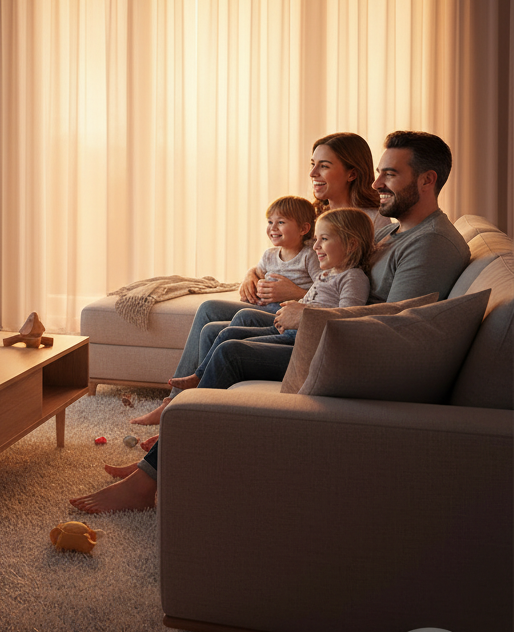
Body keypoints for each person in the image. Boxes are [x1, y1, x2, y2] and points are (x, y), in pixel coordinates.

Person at [71, 131, 470, 514]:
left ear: (427, 180)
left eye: (390, 174)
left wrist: (307, 311)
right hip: (333, 334)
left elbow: (399, 324)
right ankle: (170, 439)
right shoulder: (399, 231)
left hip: (347, 351)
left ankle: (147, 481)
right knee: (222, 328)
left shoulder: (431, 243)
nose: (377, 181)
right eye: (379, 171)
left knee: (230, 353)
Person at [169, 133, 385, 386]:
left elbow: (351, 286)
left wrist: (295, 293)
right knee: (209, 310)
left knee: (231, 335)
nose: (313, 172)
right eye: (312, 164)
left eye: (324, 166)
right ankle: (177, 397)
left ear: (352, 173)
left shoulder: (373, 222)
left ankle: (192, 397)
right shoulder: (312, 213)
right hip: (285, 306)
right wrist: (252, 274)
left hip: (303, 312)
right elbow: (286, 254)